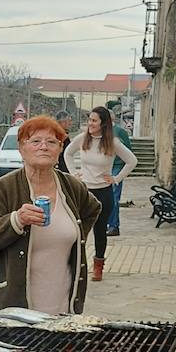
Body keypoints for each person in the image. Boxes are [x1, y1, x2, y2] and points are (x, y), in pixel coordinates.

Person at [0, 115, 100, 314]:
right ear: (22, 149)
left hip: (62, 300)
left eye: (51, 142)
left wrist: (76, 236)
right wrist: (17, 220)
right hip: (13, 303)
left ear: (59, 149)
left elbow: (93, 209)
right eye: (35, 141)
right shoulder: (3, 189)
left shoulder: (71, 187)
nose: (44, 147)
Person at [63, 106, 137, 281]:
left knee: (100, 232)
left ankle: (98, 267)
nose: (90, 123)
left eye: (94, 120)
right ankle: (75, 266)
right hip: (83, 192)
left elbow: (132, 161)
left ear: (104, 123)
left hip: (104, 192)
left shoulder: (113, 142)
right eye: (89, 119)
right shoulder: (82, 138)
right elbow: (67, 153)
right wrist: (74, 173)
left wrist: (116, 178)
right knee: (77, 231)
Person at [106, 114, 133, 237]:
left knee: (114, 196)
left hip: (116, 165)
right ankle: (106, 223)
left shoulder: (120, 132)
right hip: (105, 166)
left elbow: (128, 149)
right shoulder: (102, 132)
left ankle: (114, 226)